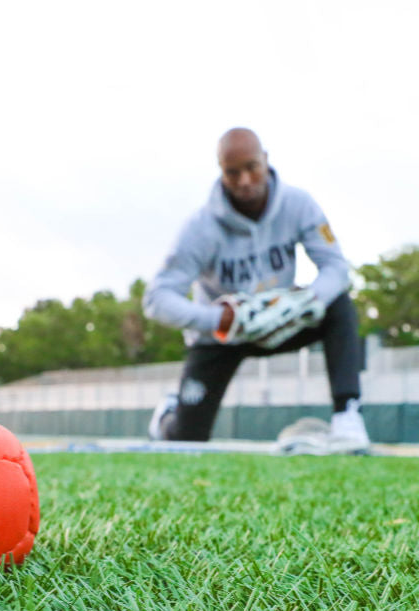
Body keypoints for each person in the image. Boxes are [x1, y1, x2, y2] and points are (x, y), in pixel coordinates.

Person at [142, 127, 369, 453]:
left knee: (338, 305)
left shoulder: (298, 204)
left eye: (251, 167)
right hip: (222, 335)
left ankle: (347, 415)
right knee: (185, 444)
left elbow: (335, 267)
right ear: (221, 171)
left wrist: (306, 301)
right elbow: (156, 298)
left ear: (265, 160)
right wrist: (216, 319)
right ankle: (167, 417)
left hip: (280, 322)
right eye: (232, 172)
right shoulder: (200, 228)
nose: (245, 180)